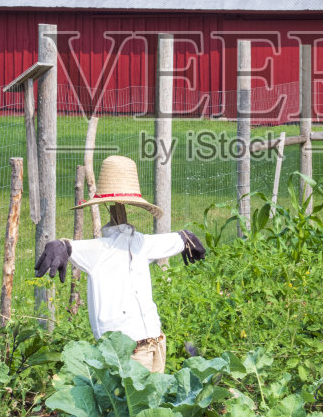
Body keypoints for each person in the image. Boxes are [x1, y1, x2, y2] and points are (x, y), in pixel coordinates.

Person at [34, 155, 206, 371]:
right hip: (124, 351)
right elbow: (71, 247)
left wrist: (184, 238)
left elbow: (172, 240)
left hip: (157, 342)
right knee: (130, 402)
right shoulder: (100, 251)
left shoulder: (141, 243)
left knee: (154, 400)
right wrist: (60, 246)